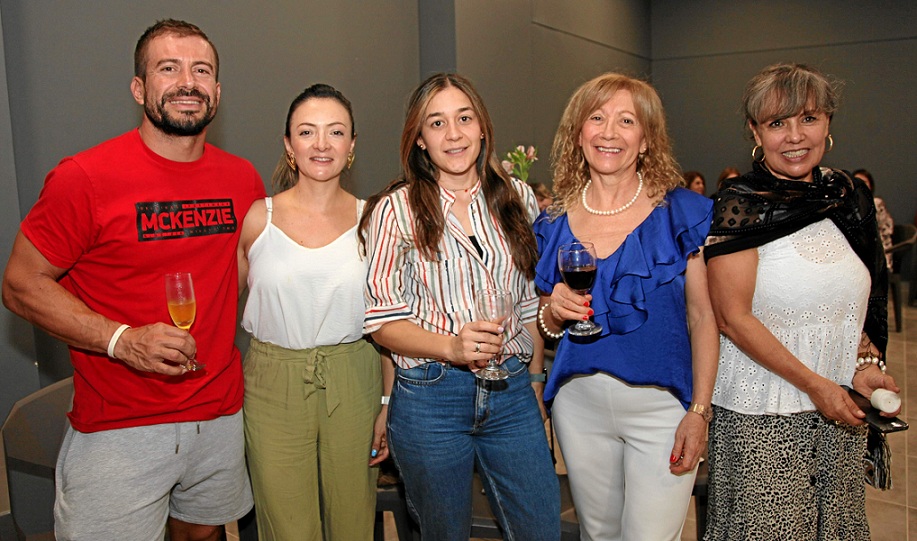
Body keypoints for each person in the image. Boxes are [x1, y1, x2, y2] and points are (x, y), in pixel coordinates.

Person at [0, 19, 265, 541]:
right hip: (119, 426)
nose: (187, 81)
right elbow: (20, 283)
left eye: (201, 70)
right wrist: (122, 340)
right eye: (169, 68)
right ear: (139, 88)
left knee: (203, 534)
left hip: (217, 413)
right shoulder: (85, 177)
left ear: (217, 91)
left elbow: (237, 279)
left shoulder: (242, 179)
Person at [359, 72, 560, 540]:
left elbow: (529, 304)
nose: (454, 134)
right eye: (437, 123)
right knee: (443, 532)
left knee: (540, 528)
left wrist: (533, 380)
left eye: (464, 118)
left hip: (511, 393)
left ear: (483, 127)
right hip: (431, 395)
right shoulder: (397, 210)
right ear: (420, 141)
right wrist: (451, 346)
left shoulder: (520, 199)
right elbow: (381, 321)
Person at [704, 63, 898, 540]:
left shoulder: (847, 197)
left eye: (808, 118)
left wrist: (865, 364)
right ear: (755, 131)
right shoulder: (741, 203)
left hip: (839, 413)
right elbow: (733, 319)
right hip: (763, 415)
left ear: (828, 123)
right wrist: (817, 386)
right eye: (777, 123)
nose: (795, 136)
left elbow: (853, 306)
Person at [534, 72, 719, 540]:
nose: (609, 132)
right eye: (596, 118)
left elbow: (703, 319)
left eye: (626, 120)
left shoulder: (683, 213)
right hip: (579, 406)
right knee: (598, 534)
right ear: (579, 135)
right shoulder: (554, 220)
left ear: (646, 139)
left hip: (663, 410)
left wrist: (699, 411)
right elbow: (546, 322)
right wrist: (553, 309)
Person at [238, 84, 392, 540]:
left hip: (355, 376)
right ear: (289, 145)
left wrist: (386, 403)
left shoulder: (376, 221)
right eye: (307, 132)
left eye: (335, 132)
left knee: (353, 520)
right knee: (284, 525)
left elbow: (388, 324)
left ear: (351, 146)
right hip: (273, 382)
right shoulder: (257, 218)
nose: (321, 144)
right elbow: (226, 299)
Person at [853, 168, 894, 269]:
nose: (860, 185)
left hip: (878, 252)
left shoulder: (876, 204)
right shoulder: (848, 206)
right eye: (857, 182)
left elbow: (886, 231)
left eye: (864, 182)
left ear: (870, 186)